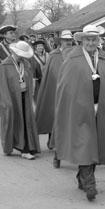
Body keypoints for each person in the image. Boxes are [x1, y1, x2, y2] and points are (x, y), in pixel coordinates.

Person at [52, 25, 105, 201]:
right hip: (79, 109)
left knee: (96, 145)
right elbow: (65, 87)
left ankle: (82, 176)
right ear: (82, 40)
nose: (91, 42)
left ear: (98, 41)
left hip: (102, 109)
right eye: (88, 39)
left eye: (94, 39)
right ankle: (89, 183)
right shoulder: (72, 60)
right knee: (85, 142)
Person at [0, 40, 40, 160]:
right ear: (14, 52)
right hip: (11, 99)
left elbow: (29, 78)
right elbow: (2, 85)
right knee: (14, 122)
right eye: (20, 54)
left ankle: (27, 147)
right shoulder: (4, 66)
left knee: (26, 122)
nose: (22, 57)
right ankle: (20, 148)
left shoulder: (26, 64)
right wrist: (7, 103)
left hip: (24, 97)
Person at [36, 30, 71, 168]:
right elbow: (49, 73)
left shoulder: (75, 54)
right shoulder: (53, 55)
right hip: (56, 91)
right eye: (66, 40)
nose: (68, 42)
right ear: (60, 41)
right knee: (55, 118)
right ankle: (56, 148)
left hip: (70, 92)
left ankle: (63, 148)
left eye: (70, 40)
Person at [0, 25, 17, 104]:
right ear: (5, 35)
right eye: (11, 33)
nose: (13, 34)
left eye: (14, 33)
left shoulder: (18, 45)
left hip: (18, 75)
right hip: (6, 76)